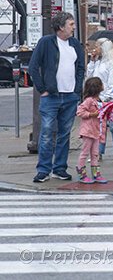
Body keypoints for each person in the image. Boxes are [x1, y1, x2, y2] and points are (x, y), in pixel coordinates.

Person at [29, 12, 86, 183]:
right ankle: (43, 169)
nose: (73, 27)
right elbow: (33, 67)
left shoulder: (75, 44)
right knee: (46, 133)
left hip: (70, 96)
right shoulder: (46, 42)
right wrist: (42, 89)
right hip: (51, 96)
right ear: (61, 27)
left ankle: (59, 168)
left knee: (64, 134)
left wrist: (77, 89)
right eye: (71, 24)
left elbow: (80, 67)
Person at [87, 38, 113, 163]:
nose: (95, 49)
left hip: (109, 99)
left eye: (97, 46)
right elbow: (90, 75)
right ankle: (98, 152)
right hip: (98, 98)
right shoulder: (98, 62)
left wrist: (109, 97)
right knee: (99, 127)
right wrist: (92, 61)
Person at [75, 77, 108, 184]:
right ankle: (82, 173)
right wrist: (91, 114)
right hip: (88, 131)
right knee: (85, 152)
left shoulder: (99, 100)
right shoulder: (89, 101)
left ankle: (96, 174)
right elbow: (80, 112)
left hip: (96, 131)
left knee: (95, 153)